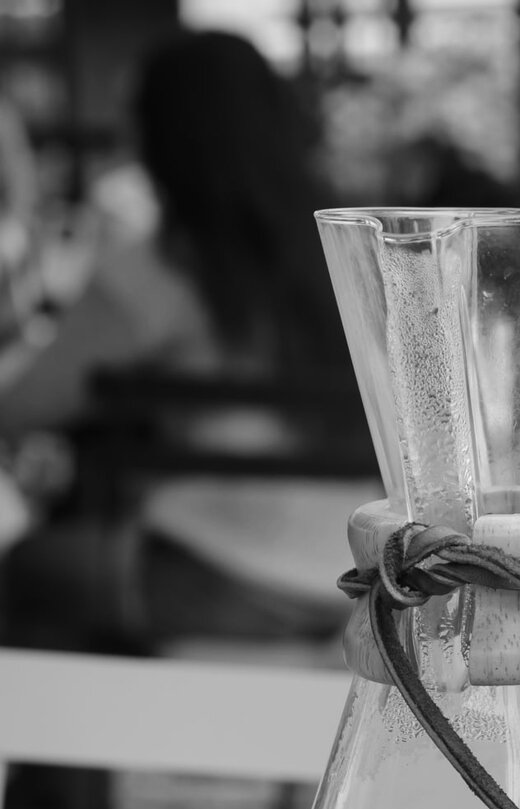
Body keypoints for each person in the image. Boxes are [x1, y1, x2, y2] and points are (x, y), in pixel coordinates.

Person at [0, 29, 379, 654]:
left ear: (160, 139)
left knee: (26, 571)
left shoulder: (156, 271)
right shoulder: (351, 254)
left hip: (219, 577)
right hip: (365, 568)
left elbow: (19, 406)